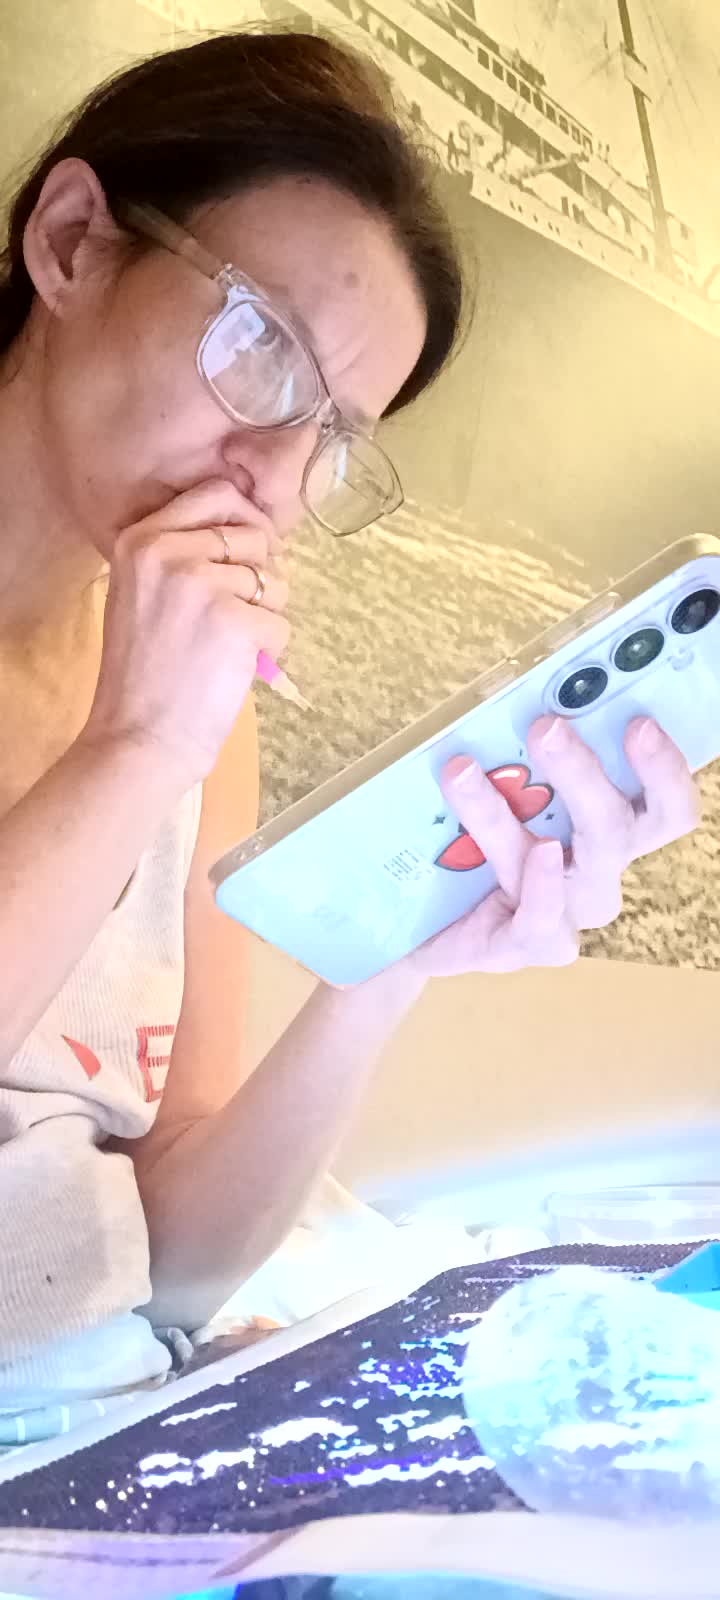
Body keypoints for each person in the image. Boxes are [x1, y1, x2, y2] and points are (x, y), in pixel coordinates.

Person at [0, 27, 698, 1449]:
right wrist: (130, 748)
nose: (273, 479)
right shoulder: (163, 722)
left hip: (96, 1420)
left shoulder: (200, 719)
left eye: (331, 436)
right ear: (71, 242)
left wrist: (392, 968)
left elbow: (177, 1268)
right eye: (259, 349)